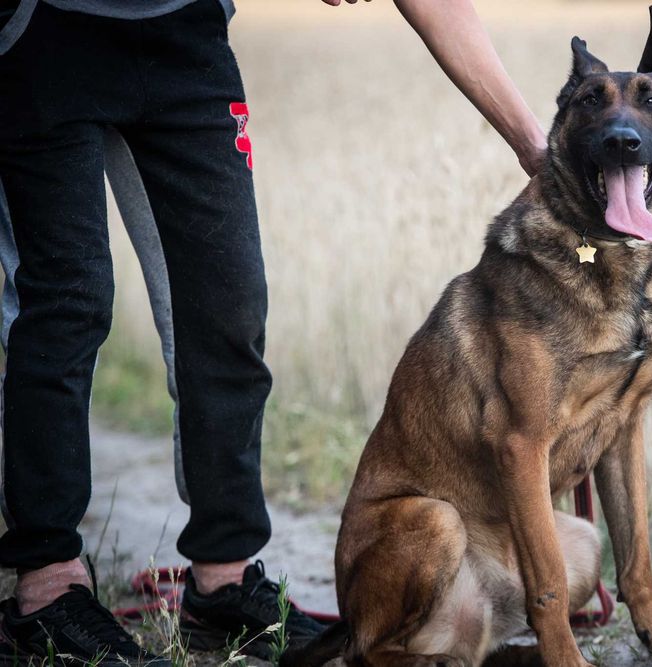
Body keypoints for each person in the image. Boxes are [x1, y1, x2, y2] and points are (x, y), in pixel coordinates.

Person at [0, 0, 546, 663]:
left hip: (184, 33)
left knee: (229, 306)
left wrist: (534, 146)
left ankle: (221, 581)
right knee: (69, 299)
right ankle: (48, 583)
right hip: (47, 28)